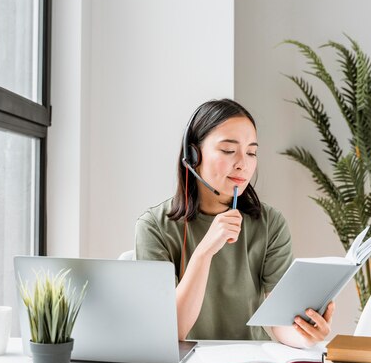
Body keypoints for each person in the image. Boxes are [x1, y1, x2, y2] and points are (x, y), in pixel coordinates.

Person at [135, 99, 334, 348]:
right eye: (229, 151)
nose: (243, 163)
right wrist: (205, 252)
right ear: (193, 155)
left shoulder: (270, 223)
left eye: (251, 152)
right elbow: (171, 331)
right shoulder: (153, 227)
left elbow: (281, 323)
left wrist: (306, 335)